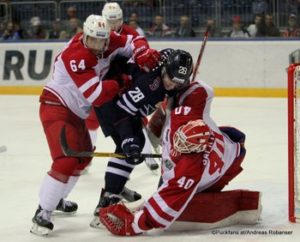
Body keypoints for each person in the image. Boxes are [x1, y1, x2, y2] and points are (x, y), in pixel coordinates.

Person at [30, 14, 160, 236]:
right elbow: (96, 95)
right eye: (92, 40)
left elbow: (134, 41)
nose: (97, 46)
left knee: (82, 159)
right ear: (85, 35)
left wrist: (142, 53)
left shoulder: (109, 40)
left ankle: (58, 199)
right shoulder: (76, 55)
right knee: (66, 160)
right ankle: (42, 212)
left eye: (101, 40)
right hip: (56, 107)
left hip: (74, 112)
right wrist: (122, 81)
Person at [98, 61, 262, 236]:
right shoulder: (185, 115)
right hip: (229, 146)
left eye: (184, 145)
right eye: (180, 139)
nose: (178, 144)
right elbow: (201, 89)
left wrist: (135, 224)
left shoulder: (188, 170)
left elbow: (169, 202)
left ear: (193, 151)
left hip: (225, 168)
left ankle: (244, 203)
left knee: (182, 205)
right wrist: (179, 92)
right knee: (176, 189)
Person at [89, 49, 194, 229]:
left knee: (132, 146)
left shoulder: (168, 79)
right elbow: (122, 111)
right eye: (170, 78)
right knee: (131, 145)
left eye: (178, 82)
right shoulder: (150, 85)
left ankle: (112, 193)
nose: (171, 84)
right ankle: (108, 199)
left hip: (123, 104)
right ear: (163, 69)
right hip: (110, 105)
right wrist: (128, 139)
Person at [85, 1, 158, 171]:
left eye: (116, 20)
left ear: (122, 19)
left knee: (135, 115)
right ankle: (88, 156)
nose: (113, 25)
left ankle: (146, 154)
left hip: (125, 81)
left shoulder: (132, 34)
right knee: (91, 120)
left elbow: (140, 57)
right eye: (109, 21)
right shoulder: (97, 33)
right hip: (103, 83)